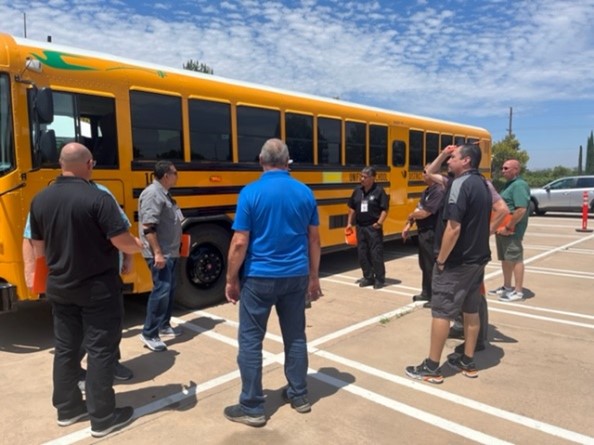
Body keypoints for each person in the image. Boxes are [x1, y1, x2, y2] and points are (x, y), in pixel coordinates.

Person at [29, 142, 141, 437]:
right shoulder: (97, 198)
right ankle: (103, 417)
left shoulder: (40, 199)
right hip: (97, 290)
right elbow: (122, 241)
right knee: (101, 350)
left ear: (61, 164)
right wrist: (137, 246)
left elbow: (38, 250)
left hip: (60, 287)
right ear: (89, 164)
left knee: (65, 349)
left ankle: (67, 409)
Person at [223, 138, 322, 427]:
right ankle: (299, 394)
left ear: (261, 160)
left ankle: (252, 406)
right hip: (296, 276)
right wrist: (313, 277)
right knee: (295, 337)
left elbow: (240, 242)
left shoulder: (250, 193)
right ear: (287, 161)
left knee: (251, 341)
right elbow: (314, 239)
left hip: (260, 278)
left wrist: (231, 279)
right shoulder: (305, 192)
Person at [23, 195, 135, 382]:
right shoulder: (48, 198)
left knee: (110, 330)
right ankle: (83, 380)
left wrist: (129, 258)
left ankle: (110, 364)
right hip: (73, 280)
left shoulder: (102, 194)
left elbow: (122, 229)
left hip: (105, 280)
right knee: (78, 338)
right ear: (89, 164)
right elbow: (30, 238)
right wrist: (32, 271)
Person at [405, 144, 491, 384]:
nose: (448, 161)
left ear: (465, 161)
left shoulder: (460, 185)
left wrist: (441, 260)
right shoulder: (481, 183)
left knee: (442, 311)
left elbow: (453, 228)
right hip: (478, 259)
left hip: (457, 261)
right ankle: (467, 359)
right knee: (471, 310)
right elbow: (428, 173)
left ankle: (432, 366)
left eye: (452, 157)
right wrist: (442, 153)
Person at [138, 160, 184, 352]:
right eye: (175, 173)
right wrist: (157, 253)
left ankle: (164, 325)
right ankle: (149, 333)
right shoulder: (152, 194)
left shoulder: (164, 194)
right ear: (166, 175)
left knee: (169, 289)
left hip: (169, 252)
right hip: (160, 254)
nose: (177, 176)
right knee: (161, 290)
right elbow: (148, 227)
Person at [402, 165, 446, 307]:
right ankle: (426, 292)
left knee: (432, 266)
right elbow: (418, 208)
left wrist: (411, 215)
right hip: (423, 232)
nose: (422, 174)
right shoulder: (427, 191)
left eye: (425, 172)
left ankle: (435, 298)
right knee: (424, 264)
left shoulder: (438, 191)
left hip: (433, 232)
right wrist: (409, 224)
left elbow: (426, 212)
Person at [489, 159, 530, 302]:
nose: (503, 170)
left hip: (511, 230)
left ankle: (518, 292)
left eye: (506, 168)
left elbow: (521, 209)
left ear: (516, 170)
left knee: (515, 259)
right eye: (502, 168)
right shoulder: (508, 185)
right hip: (502, 229)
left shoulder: (519, 185)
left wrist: (508, 227)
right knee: (506, 259)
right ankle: (507, 287)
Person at [346, 167, 389, 289]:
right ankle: (368, 277)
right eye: (361, 176)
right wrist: (350, 223)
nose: (362, 179)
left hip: (373, 226)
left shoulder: (379, 191)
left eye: (365, 177)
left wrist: (379, 223)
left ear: (372, 178)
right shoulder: (357, 191)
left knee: (376, 253)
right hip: (360, 226)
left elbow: (384, 209)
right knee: (362, 253)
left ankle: (380, 279)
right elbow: (352, 208)